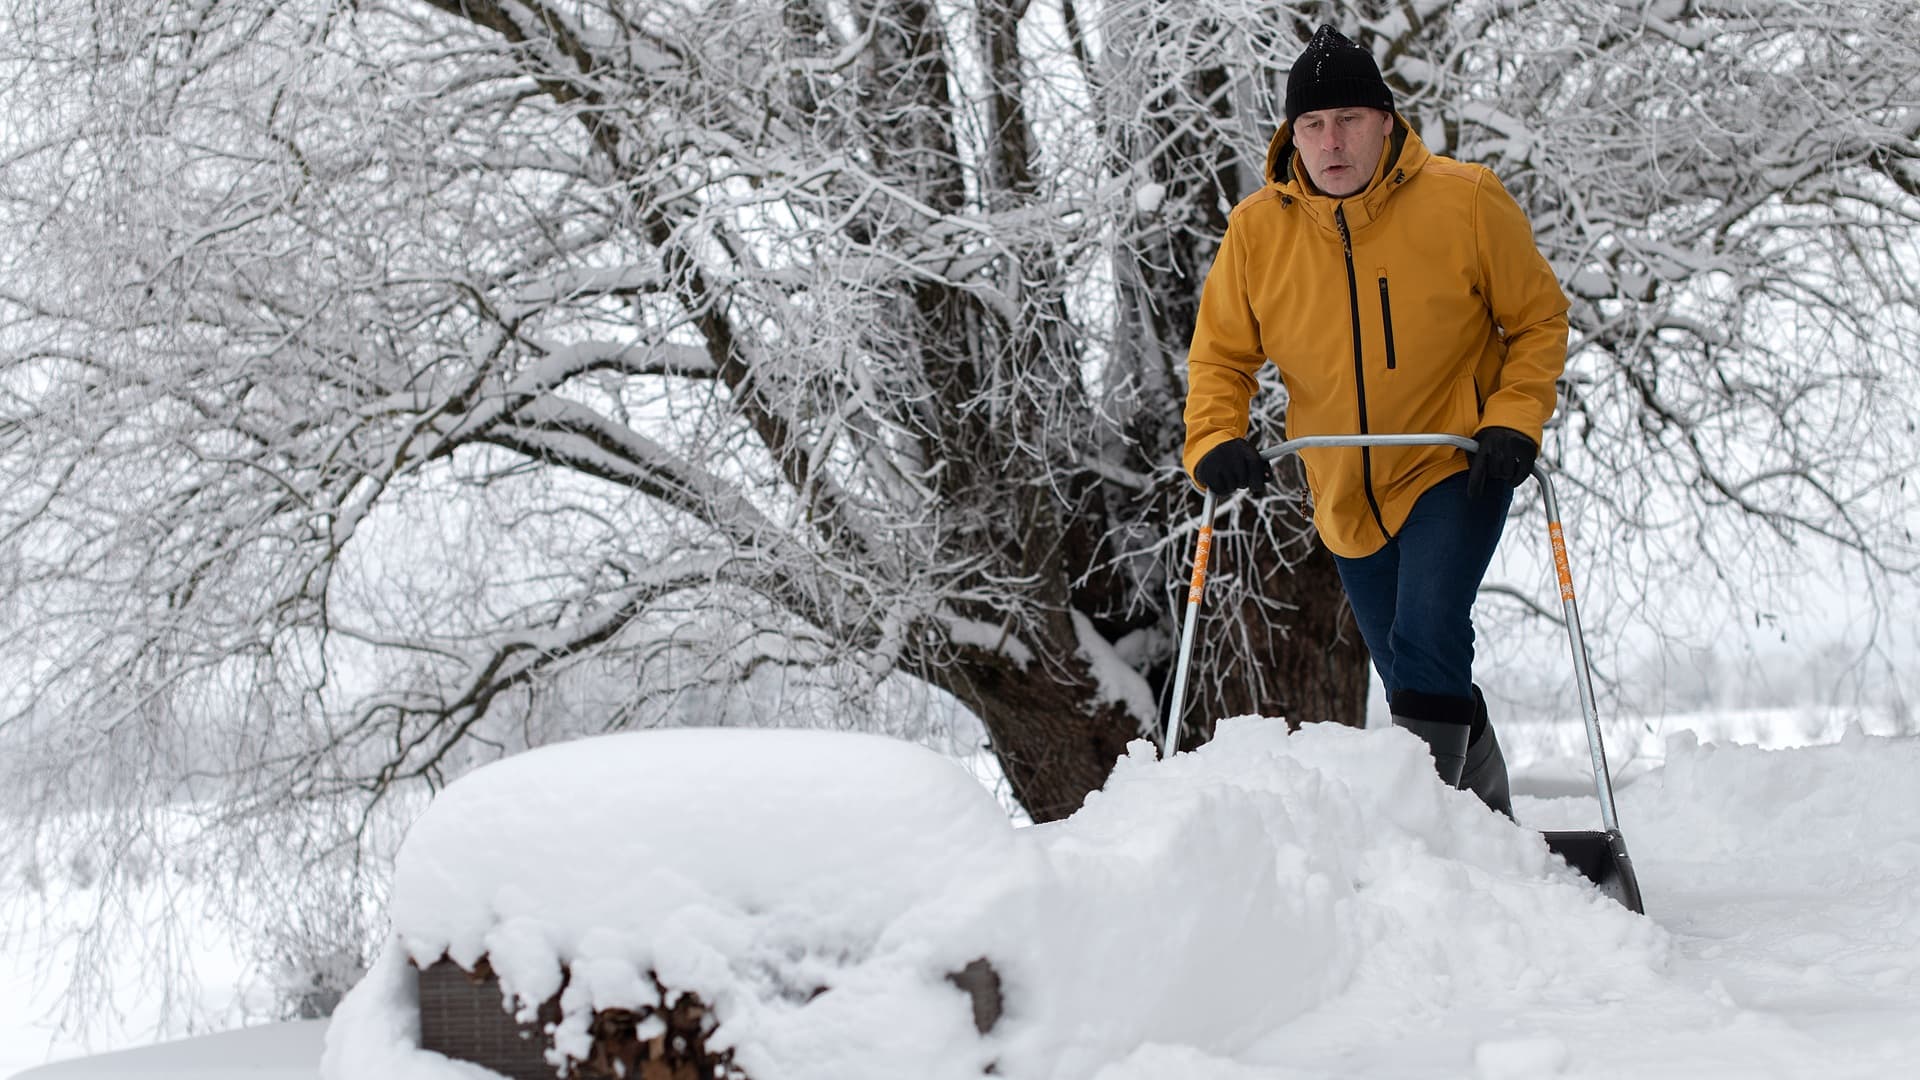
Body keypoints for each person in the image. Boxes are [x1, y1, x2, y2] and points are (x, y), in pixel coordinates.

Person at [1181, 25, 1569, 816]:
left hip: (1454, 459)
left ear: (1387, 121)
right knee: (1410, 670)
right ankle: (1486, 823)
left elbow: (1537, 321)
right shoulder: (1259, 231)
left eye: (1350, 119)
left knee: (1429, 631)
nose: (1331, 141)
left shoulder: (1465, 200)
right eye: (1313, 125)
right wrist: (1215, 438)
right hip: (1343, 485)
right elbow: (1221, 357)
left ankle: (1428, 841)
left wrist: (1514, 417)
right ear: (1293, 135)